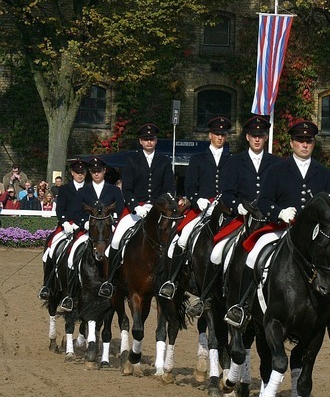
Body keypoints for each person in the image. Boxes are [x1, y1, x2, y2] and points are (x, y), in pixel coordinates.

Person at [225, 120, 330, 342]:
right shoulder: (277, 170)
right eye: (300, 141)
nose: (304, 145)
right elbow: (264, 201)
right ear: (291, 143)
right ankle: (242, 306)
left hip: (314, 237)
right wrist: (279, 212)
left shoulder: (324, 174)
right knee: (253, 254)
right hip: (281, 229)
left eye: (308, 141)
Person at [188, 115, 281, 313]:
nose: (257, 139)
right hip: (240, 218)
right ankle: (207, 295)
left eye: (261, 135)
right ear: (247, 137)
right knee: (215, 252)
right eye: (254, 135)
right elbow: (228, 192)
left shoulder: (275, 163)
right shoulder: (236, 161)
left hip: (268, 221)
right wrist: (236, 205)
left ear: (266, 138)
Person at [159, 116, 232, 299]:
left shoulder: (233, 160)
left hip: (225, 210)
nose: (220, 137)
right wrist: (197, 198)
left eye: (223, 134)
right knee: (182, 239)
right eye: (216, 134)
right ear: (210, 135)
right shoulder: (198, 159)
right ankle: (172, 281)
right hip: (201, 209)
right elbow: (189, 186)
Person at [101, 123, 175, 298]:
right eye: (146, 139)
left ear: (156, 141)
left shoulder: (164, 161)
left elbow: (170, 188)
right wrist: (135, 206)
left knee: (173, 241)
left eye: (152, 139)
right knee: (116, 240)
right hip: (136, 209)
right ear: (140, 142)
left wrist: (160, 205)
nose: (149, 142)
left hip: (158, 210)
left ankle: (171, 281)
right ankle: (110, 281)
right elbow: (127, 189)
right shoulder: (132, 161)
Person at [61, 156, 125, 311]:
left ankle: (121, 286)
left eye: (99, 171)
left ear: (104, 171)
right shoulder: (83, 191)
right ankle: (69, 295)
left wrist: (115, 223)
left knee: (122, 253)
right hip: (88, 232)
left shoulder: (114, 190)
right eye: (94, 171)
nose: (96, 174)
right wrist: (85, 223)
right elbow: (75, 211)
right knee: (71, 256)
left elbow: (120, 210)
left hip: (108, 232)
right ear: (90, 172)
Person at [39, 159, 88, 302]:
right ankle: (47, 284)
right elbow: (60, 209)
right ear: (72, 173)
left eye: (82, 172)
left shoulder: (90, 189)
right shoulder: (65, 189)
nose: (80, 175)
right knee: (51, 249)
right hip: (66, 226)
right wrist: (65, 222)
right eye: (77, 173)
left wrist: (83, 223)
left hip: (83, 227)